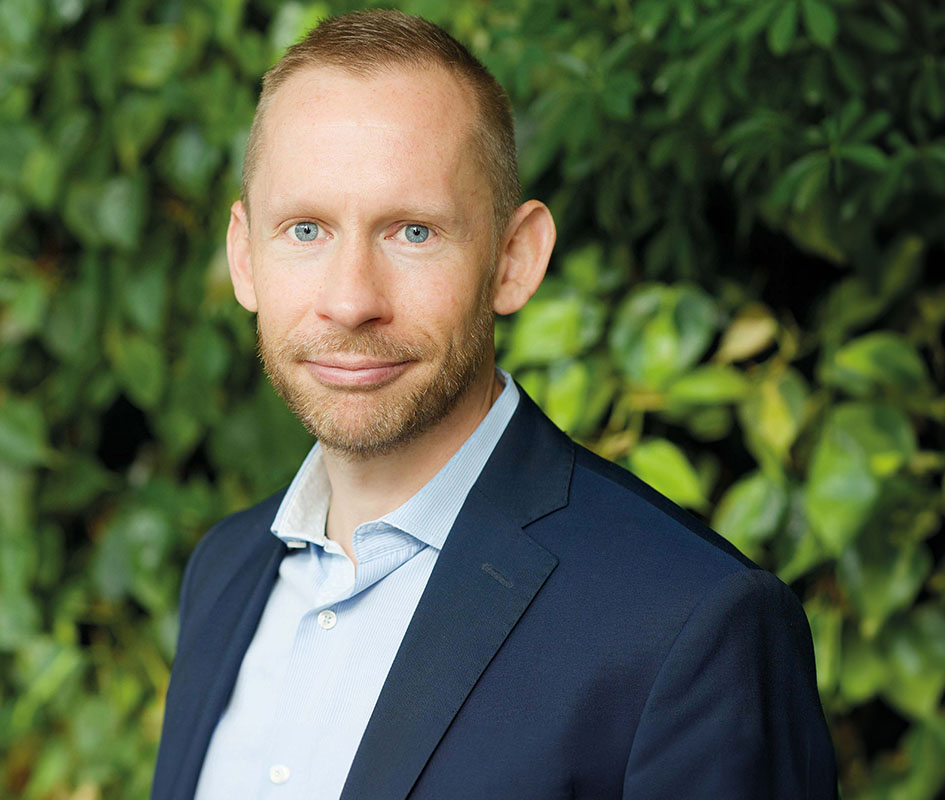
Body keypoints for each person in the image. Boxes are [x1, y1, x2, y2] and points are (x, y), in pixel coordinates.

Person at [151, 9, 837, 799]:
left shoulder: (689, 624)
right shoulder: (224, 570)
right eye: (305, 230)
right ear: (244, 257)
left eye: (412, 232)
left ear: (514, 260)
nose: (349, 301)